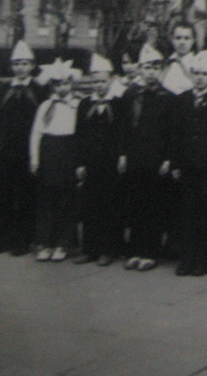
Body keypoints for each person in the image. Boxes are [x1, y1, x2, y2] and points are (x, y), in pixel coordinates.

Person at [170, 51, 207, 277]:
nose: (200, 78)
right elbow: (175, 133)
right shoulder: (182, 99)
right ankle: (187, 258)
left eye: (205, 74)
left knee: (206, 213)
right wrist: (176, 163)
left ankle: (203, 259)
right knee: (186, 213)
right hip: (186, 165)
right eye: (195, 73)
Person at [0, 40, 48, 256]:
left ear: (32, 65)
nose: (21, 68)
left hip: (29, 151)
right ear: (12, 66)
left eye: (25, 63)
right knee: (4, 196)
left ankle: (24, 239)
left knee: (26, 194)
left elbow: (45, 121)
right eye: (17, 64)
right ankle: (2, 239)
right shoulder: (5, 89)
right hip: (6, 150)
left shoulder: (39, 90)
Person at [117, 43, 173, 272]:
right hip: (134, 156)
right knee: (135, 203)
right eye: (147, 67)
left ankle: (150, 251)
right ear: (140, 68)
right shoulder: (131, 94)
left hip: (156, 158)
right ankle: (135, 249)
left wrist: (168, 158)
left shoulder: (166, 97)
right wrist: (122, 154)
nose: (151, 71)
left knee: (154, 204)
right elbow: (123, 126)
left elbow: (171, 132)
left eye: (156, 67)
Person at [74, 55, 123, 266]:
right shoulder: (85, 104)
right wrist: (79, 163)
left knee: (110, 204)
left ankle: (108, 249)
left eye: (102, 81)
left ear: (111, 80)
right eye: (95, 81)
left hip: (111, 162)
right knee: (90, 205)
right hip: (91, 162)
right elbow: (79, 135)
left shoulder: (118, 103)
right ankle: (90, 249)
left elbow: (124, 133)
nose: (99, 85)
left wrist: (122, 155)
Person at [30, 61, 80, 262]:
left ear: (71, 84)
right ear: (52, 85)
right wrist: (35, 158)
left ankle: (63, 243)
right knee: (47, 199)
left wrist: (79, 161)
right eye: (58, 84)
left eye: (65, 83)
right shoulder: (45, 106)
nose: (62, 88)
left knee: (66, 199)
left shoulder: (77, 104)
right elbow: (36, 133)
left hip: (68, 152)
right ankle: (45, 242)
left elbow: (81, 134)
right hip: (49, 152)